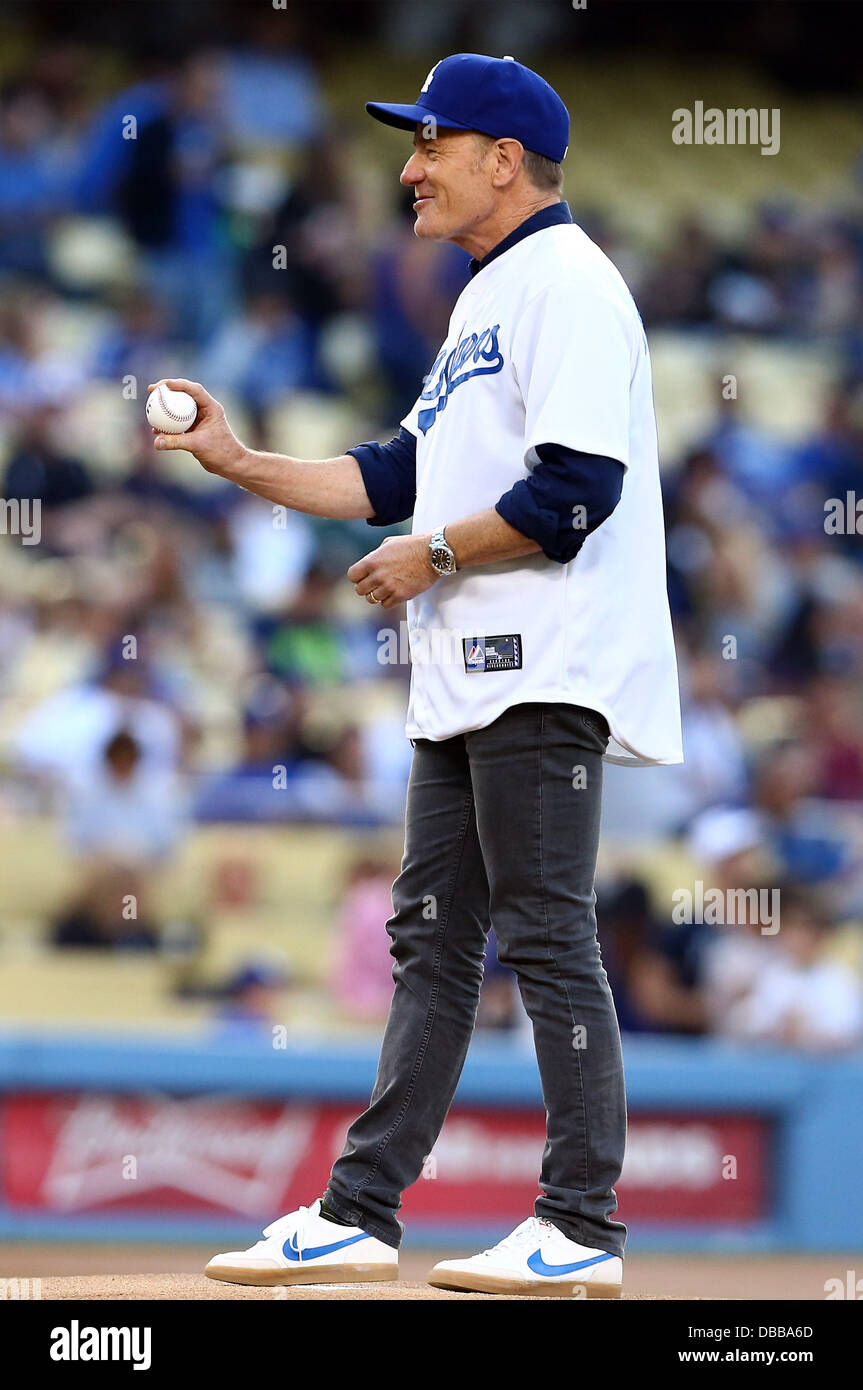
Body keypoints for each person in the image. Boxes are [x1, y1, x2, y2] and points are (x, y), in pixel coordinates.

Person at [150, 53, 682, 1298]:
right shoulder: (486, 300)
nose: (407, 166)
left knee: (546, 933)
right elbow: (395, 475)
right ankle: (360, 1213)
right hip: (469, 673)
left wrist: (432, 553)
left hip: (545, 663)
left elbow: (572, 498)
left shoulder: (571, 287)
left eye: (429, 142)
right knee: (432, 942)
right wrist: (235, 462)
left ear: (503, 158)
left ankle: (581, 1225)